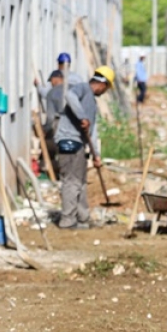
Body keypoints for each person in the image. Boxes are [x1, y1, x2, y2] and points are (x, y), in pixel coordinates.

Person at [52, 66, 114, 229]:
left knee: (80, 181)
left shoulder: (92, 103)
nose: (104, 92)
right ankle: (67, 220)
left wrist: (96, 154)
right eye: (106, 88)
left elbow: (92, 130)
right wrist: (81, 116)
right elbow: (70, 96)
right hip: (68, 141)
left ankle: (82, 217)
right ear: (103, 84)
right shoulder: (83, 88)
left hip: (79, 143)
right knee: (71, 182)